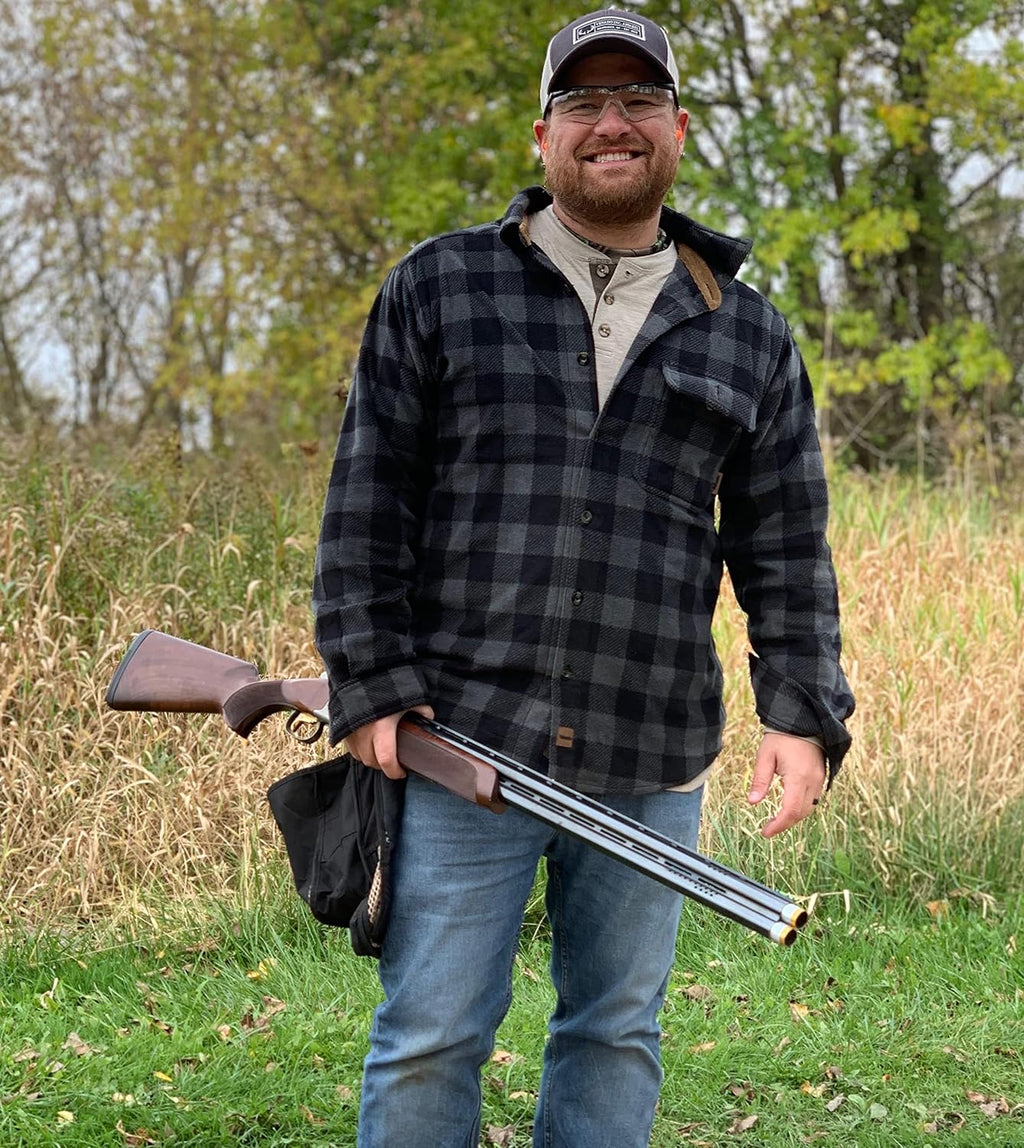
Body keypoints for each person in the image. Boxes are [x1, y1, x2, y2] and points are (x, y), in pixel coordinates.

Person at [313, 8, 855, 1146]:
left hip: (649, 747)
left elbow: (786, 546)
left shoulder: (748, 334)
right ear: (542, 135)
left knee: (615, 1028)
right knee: (429, 1035)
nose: (611, 122)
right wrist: (369, 681)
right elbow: (366, 501)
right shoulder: (440, 286)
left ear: (678, 128)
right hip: (462, 734)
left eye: (638, 100)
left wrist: (800, 714)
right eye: (582, 102)